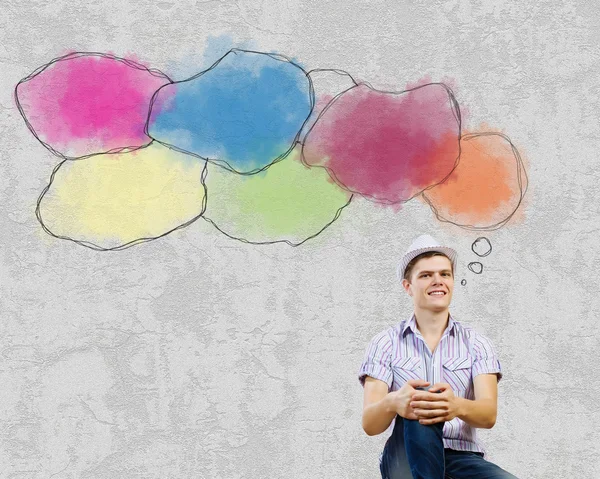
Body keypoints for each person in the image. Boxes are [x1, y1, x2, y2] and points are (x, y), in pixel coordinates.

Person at [358, 234, 518, 479]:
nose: (438, 281)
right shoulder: (385, 343)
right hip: (405, 456)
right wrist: (394, 402)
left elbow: (488, 415)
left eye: (445, 274)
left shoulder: (477, 343)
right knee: (422, 400)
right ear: (408, 286)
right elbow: (370, 423)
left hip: (462, 458)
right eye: (426, 275)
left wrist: (457, 406)